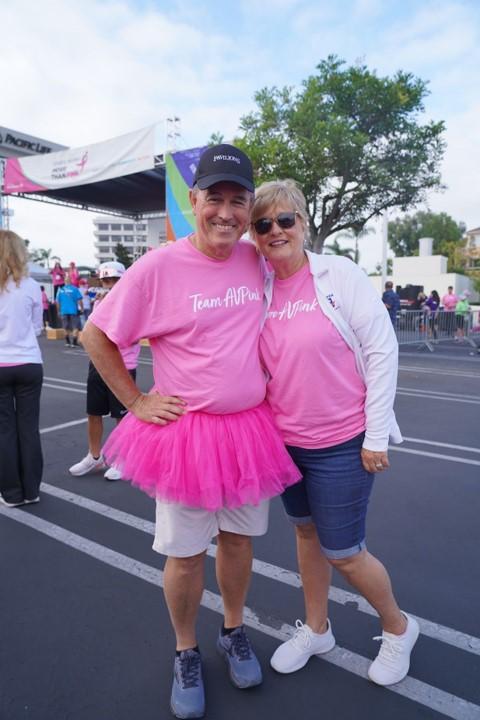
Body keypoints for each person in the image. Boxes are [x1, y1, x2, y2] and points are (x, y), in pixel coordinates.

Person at [81, 144, 300, 719]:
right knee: (183, 554)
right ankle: (186, 649)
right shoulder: (158, 268)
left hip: (250, 431)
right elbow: (96, 335)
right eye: (215, 199)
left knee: (239, 542)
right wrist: (133, 401)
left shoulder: (257, 258)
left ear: (248, 206)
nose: (226, 212)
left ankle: (232, 631)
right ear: (194, 200)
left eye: (238, 201)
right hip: (189, 438)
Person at [250, 179, 419, 688]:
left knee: (344, 551)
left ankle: (399, 627)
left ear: (302, 222)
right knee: (304, 533)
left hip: (344, 442)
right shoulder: (256, 283)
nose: (275, 230)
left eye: (285, 220)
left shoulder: (337, 274)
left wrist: (375, 436)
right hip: (286, 443)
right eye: (263, 224)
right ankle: (318, 629)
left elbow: (381, 349)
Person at [69, 262, 140, 482]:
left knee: (121, 417)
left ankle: (124, 459)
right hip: (98, 364)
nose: (109, 285)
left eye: (113, 281)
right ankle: (95, 455)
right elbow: (90, 334)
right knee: (93, 412)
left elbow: (130, 336)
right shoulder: (100, 303)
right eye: (105, 281)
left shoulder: (133, 303)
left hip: (123, 366)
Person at [0, 230, 43, 507]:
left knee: (5, 430)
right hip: (29, 362)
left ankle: (11, 493)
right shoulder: (31, 286)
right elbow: (38, 327)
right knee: (28, 428)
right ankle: (31, 490)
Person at [56, 273, 83, 347]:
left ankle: (67, 342)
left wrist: (58, 311)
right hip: (73, 310)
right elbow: (79, 300)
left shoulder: (61, 290)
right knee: (75, 326)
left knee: (65, 326)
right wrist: (82, 308)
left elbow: (58, 302)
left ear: (65, 281)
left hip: (64, 310)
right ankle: (74, 342)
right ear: (70, 281)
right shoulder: (75, 289)